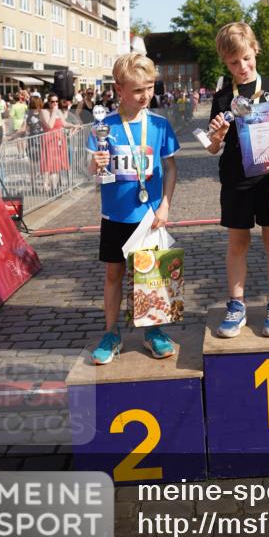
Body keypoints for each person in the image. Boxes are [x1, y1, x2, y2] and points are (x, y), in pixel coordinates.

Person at [206, 22, 269, 339]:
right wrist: (216, 136)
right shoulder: (221, 98)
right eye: (234, 62)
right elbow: (212, 146)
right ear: (225, 62)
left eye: (247, 58)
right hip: (236, 180)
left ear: (255, 50)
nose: (243, 67)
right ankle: (236, 305)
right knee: (238, 243)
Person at [88, 53, 179, 365]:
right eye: (138, 90)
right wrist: (95, 164)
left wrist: (165, 205)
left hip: (150, 216)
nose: (146, 96)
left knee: (151, 276)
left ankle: (153, 331)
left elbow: (170, 168)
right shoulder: (104, 127)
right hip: (115, 215)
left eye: (150, 88)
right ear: (119, 90)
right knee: (114, 273)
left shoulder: (160, 125)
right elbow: (96, 171)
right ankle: (111, 333)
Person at [39, 93, 70, 193]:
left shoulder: (59, 112)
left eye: (56, 101)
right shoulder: (44, 112)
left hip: (59, 141)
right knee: (50, 166)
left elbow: (64, 124)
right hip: (49, 141)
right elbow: (50, 125)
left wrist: (75, 125)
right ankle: (52, 188)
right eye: (52, 101)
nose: (55, 103)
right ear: (48, 102)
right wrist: (54, 112)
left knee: (56, 167)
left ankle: (54, 188)